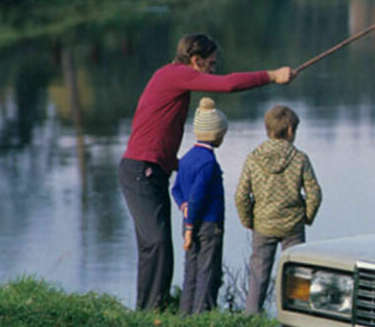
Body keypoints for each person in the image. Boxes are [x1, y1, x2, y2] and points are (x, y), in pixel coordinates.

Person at [118, 32, 293, 311]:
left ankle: (151, 308)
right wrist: (272, 75)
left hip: (151, 170)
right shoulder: (175, 74)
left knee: (155, 245)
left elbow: (157, 138)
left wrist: (178, 164)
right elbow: (228, 84)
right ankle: (151, 310)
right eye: (210, 64)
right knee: (157, 244)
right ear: (195, 60)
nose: (213, 71)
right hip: (141, 172)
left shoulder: (171, 79)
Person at [235, 105, 322, 314]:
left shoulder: (253, 158)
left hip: (263, 224)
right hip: (292, 224)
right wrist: (307, 217)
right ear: (290, 130)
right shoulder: (300, 158)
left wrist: (249, 220)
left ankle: (251, 316)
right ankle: (297, 316)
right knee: (298, 272)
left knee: (258, 273)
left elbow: (240, 195)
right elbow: (314, 193)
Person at [171, 97, 228, 315]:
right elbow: (198, 196)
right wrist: (190, 226)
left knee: (191, 271)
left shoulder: (185, 159)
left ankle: (185, 313)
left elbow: (176, 190)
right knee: (207, 271)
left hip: (189, 221)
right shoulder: (208, 163)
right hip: (206, 225)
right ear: (216, 134)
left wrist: (183, 207)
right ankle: (201, 315)